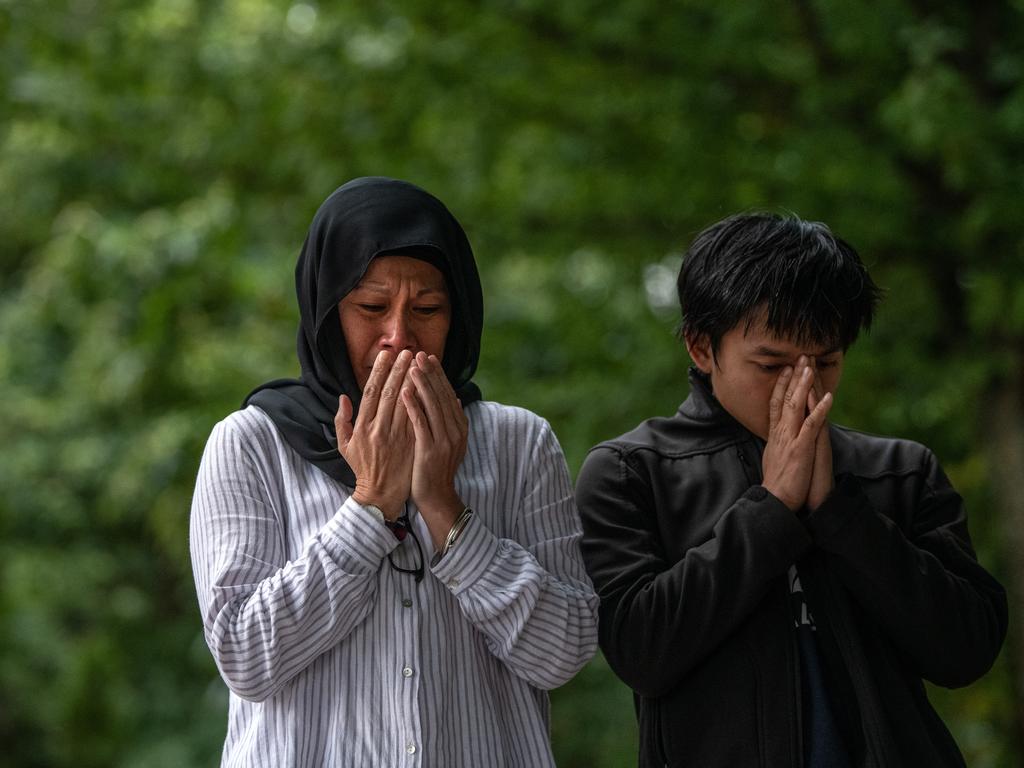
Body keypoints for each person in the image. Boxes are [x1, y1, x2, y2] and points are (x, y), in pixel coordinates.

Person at [190, 176, 598, 767]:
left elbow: (563, 654)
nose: (399, 337)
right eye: (372, 308)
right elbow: (246, 658)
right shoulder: (252, 445)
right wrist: (371, 503)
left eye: (427, 309)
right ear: (328, 312)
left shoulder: (519, 443)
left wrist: (445, 509)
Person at [575, 212, 1008, 768]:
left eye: (825, 362)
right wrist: (771, 507)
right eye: (771, 363)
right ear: (702, 348)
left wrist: (839, 513)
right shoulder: (632, 472)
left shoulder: (898, 470)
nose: (803, 387)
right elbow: (642, 651)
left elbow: (967, 650)